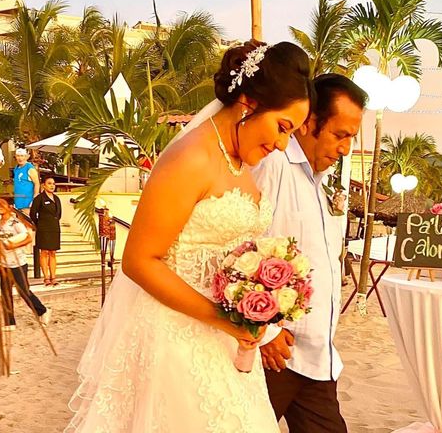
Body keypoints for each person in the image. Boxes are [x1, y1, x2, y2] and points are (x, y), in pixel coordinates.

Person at [65, 40, 314, 432]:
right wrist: (225, 319)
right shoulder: (192, 157)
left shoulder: (241, 164)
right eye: (282, 128)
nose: (282, 144)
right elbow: (139, 260)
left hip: (224, 342)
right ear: (249, 103)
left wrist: (257, 299)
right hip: (174, 337)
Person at [254, 73, 367, 433]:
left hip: (318, 359)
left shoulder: (319, 184)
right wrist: (266, 332)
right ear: (310, 123)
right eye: (340, 135)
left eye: (352, 137)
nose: (346, 148)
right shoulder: (272, 165)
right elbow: (239, 247)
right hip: (276, 356)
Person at [0, 199, 51, 329]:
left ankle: (43, 311)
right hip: (4, 263)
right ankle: (9, 323)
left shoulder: (15, 223)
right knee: (5, 293)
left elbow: (28, 238)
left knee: (24, 292)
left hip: (18, 263)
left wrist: (14, 245)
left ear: (10, 207)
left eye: (2, 205)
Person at [30, 176, 62, 286]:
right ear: (44, 185)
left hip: (54, 228)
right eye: (49, 183)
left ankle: (53, 277)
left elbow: (59, 214)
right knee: (44, 252)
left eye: (53, 183)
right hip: (43, 228)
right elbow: (32, 214)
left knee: (53, 252)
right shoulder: (39, 198)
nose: (52, 185)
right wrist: (39, 223)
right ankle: (46, 277)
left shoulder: (56, 198)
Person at [13, 147, 39, 214]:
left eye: (22, 156)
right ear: (15, 156)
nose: (20, 158)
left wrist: (34, 199)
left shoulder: (29, 168)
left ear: (26, 157)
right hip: (18, 202)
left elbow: (37, 183)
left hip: (27, 202)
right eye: (18, 156)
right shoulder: (16, 168)